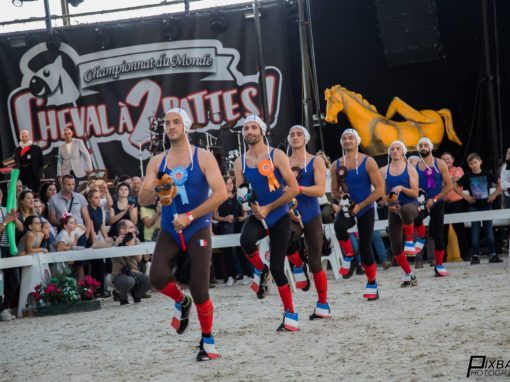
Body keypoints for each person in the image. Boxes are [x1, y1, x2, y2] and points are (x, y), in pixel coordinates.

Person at [139, 108, 227, 361]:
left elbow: (221, 194)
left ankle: (207, 341)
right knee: (156, 278)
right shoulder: (157, 161)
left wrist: (190, 216)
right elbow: (143, 198)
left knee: (200, 291)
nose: (171, 126)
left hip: (196, 227)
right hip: (169, 228)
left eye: (176, 122)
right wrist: (157, 187)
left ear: (186, 126)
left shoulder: (204, 157)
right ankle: (181, 301)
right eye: (167, 123)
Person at [234, 114, 300, 331]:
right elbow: (242, 191)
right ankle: (261, 271)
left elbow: (293, 189)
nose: (249, 132)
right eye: (246, 128)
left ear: (262, 131)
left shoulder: (277, 155)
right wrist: (246, 201)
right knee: (245, 240)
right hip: (258, 213)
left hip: (279, 213)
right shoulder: (239, 162)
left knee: (278, 268)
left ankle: (290, 315)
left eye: (253, 127)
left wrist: (268, 208)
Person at [331, 129, 384, 300]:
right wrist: (342, 197)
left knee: (365, 247)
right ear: (341, 142)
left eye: (350, 138)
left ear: (357, 141)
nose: (347, 141)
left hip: (366, 207)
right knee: (338, 226)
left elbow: (380, 189)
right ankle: (349, 256)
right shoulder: (336, 165)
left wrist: (360, 205)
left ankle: (372, 283)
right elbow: (333, 191)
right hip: (348, 207)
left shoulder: (368, 161)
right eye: (344, 138)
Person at [285, 125, 332, 318]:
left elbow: (320, 190)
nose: (295, 137)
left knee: (315, 264)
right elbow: (280, 191)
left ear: (305, 139)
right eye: (292, 134)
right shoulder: (283, 161)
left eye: (299, 134)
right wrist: (289, 210)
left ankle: (322, 304)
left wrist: (299, 189)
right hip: (292, 213)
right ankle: (297, 265)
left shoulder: (316, 161)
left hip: (312, 213)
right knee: (284, 238)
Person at [379, 141, 419, 287]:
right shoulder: (383, 170)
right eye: (392, 149)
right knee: (395, 247)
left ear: (403, 152)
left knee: (405, 210)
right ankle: (409, 274)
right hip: (393, 209)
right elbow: (381, 194)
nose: (395, 151)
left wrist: (402, 188)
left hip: (411, 205)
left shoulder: (410, 169)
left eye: (398, 149)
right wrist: (388, 201)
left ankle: (409, 240)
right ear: (389, 152)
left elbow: (415, 192)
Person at [410, 138, 452, 276]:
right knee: (414, 219)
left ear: (431, 147)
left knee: (438, 234)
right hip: (420, 201)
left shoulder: (439, 163)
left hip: (437, 202)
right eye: (420, 145)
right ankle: (421, 237)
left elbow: (449, 186)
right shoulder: (414, 165)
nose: (423, 147)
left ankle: (439, 265)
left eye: (425, 145)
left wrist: (434, 199)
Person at [457, 153, 502, 264]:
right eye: (471, 163)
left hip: (487, 205)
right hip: (474, 207)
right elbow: (454, 186)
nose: (474, 165)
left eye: (475, 162)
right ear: (469, 165)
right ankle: (475, 256)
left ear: (480, 162)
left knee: (489, 230)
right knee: (475, 231)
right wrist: (466, 196)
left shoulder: (487, 173)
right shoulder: (467, 175)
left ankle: (493, 255)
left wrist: (494, 194)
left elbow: (499, 183)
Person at [212, 175, 247, 286]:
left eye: (231, 183)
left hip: (238, 226)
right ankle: (230, 276)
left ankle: (246, 274)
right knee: (227, 252)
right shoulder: (219, 197)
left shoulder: (238, 197)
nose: (230, 185)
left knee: (241, 250)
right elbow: (214, 216)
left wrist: (244, 216)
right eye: (227, 183)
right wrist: (225, 218)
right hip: (225, 227)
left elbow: (245, 210)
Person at [111, 219, 151, 305]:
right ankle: (122, 297)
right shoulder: (114, 239)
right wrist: (114, 245)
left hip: (134, 273)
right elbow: (95, 245)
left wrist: (133, 246)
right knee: (129, 281)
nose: (134, 230)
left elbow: (140, 260)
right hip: (119, 275)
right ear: (122, 230)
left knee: (149, 280)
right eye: (131, 227)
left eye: (134, 227)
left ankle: (136, 295)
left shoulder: (136, 240)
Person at [440, 152, 470, 261]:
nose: (447, 161)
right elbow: (436, 184)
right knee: (442, 232)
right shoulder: (438, 171)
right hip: (442, 205)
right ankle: (442, 257)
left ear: (452, 160)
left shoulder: (459, 169)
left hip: (456, 204)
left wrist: (444, 182)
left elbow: (457, 180)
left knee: (460, 231)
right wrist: (450, 181)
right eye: (444, 159)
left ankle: (465, 255)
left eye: (448, 159)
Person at [48, 175, 91, 248]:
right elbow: (52, 219)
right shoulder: (53, 199)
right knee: (66, 257)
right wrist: (64, 222)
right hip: (64, 232)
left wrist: (87, 234)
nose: (71, 187)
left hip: (80, 232)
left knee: (82, 257)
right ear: (62, 184)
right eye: (68, 185)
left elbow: (87, 218)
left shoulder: (80, 197)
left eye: (73, 184)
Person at [0, 188, 19, 321]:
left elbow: (21, 228)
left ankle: (5, 306)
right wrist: (6, 221)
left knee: (14, 279)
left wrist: (15, 219)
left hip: (9, 247)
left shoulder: (6, 209)